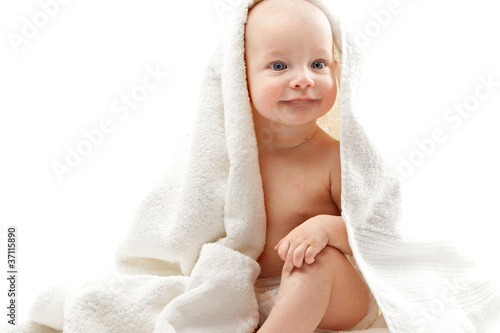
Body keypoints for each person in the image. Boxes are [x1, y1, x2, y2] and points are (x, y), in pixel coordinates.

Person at [244, 0, 377, 331]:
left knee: (313, 260)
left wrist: (324, 228)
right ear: (240, 76)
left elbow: (373, 235)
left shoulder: (335, 158)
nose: (303, 79)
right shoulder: (230, 159)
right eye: (279, 66)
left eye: (318, 63)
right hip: (249, 293)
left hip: (336, 296)